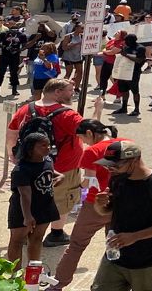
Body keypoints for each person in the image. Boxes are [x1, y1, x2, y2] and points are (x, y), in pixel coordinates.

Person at [91, 140, 152, 290]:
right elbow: (108, 211)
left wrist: (134, 236)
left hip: (149, 261)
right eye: (107, 165)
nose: (110, 169)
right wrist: (99, 205)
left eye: (116, 165)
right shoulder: (117, 179)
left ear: (135, 160)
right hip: (115, 257)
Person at [5, 78, 85, 249]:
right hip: (63, 167)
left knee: (30, 198)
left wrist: (13, 154)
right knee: (61, 200)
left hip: (30, 165)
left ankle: (27, 232)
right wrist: (98, 112)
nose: (73, 93)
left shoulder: (26, 109)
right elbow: (90, 133)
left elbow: (12, 132)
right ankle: (56, 233)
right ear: (57, 92)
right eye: (70, 90)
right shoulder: (68, 115)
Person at [52, 119, 124, 289]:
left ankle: (59, 282)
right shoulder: (126, 143)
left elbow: (90, 181)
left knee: (76, 245)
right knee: (115, 244)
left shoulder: (92, 151)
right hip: (123, 201)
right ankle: (117, 282)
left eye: (83, 139)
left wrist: (76, 186)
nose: (83, 143)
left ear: (90, 134)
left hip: (96, 204)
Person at [6, 132, 61, 264]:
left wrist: (60, 177)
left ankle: (33, 272)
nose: (48, 148)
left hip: (45, 206)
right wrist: (28, 216)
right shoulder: (21, 170)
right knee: (17, 241)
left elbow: (51, 172)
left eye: (48, 145)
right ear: (30, 148)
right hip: (23, 210)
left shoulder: (47, 160)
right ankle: (15, 275)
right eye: (43, 146)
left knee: (37, 239)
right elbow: (25, 194)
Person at [111, 34, 146, 116]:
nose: (125, 42)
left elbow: (139, 60)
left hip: (134, 72)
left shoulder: (140, 48)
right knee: (124, 90)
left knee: (135, 91)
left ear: (133, 41)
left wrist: (126, 55)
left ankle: (136, 109)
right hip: (123, 72)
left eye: (127, 41)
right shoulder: (126, 47)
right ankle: (124, 107)